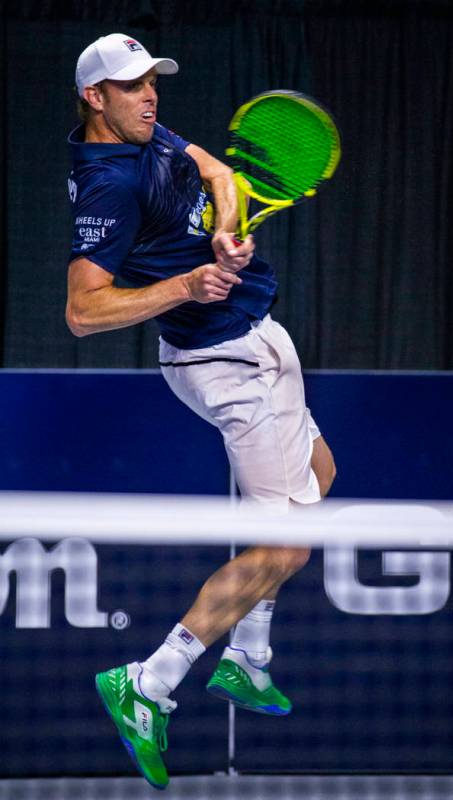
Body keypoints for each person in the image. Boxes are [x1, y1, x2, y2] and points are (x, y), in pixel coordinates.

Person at [66, 33, 336, 790]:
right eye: (130, 86)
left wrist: (223, 226)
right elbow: (82, 312)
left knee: (322, 472)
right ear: (95, 98)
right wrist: (187, 287)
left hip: (252, 340)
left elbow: (216, 170)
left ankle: (248, 657)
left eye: (152, 81)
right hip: (227, 364)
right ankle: (150, 682)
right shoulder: (112, 181)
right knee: (282, 550)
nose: (149, 95)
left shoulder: (150, 134)